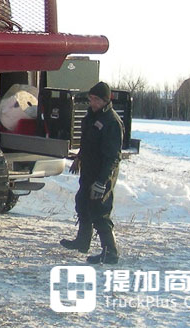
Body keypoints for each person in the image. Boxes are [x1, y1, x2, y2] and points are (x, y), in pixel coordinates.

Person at [60, 81, 124, 264]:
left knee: (100, 211)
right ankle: (82, 241)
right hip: (88, 169)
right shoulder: (90, 117)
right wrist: (79, 158)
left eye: (96, 99)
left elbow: (113, 156)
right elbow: (88, 142)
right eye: (91, 99)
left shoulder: (111, 122)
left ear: (106, 100)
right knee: (82, 203)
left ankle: (110, 252)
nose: (92, 102)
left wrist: (102, 181)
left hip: (102, 173)